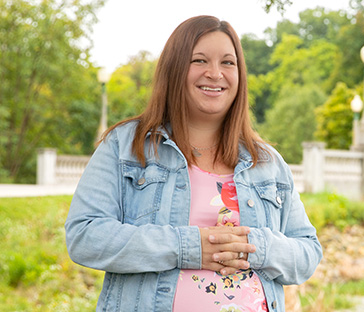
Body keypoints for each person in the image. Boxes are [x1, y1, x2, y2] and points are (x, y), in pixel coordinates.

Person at [65, 15, 322, 312]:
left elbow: (308, 253)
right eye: (199, 60)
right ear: (175, 69)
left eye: (228, 63)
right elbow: (85, 236)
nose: (215, 73)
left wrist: (255, 248)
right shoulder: (126, 147)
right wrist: (189, 247)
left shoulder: (267, 163)